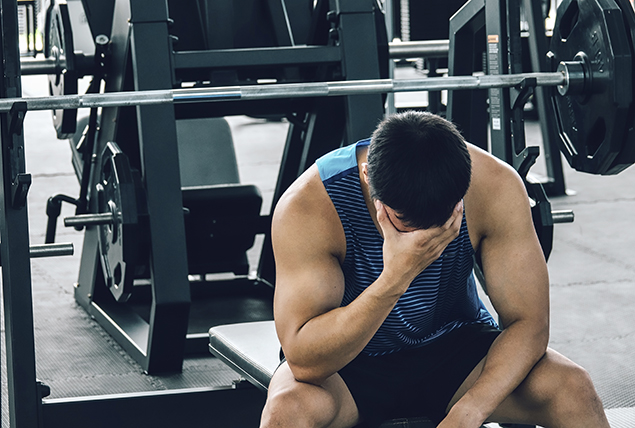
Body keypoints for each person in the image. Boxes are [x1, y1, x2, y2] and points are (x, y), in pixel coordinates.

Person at [260, 111, 609, 428]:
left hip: (453, 350)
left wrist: (469, 411)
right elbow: (306, 361)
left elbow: (529, 323)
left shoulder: (494, 184)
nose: (424, 240)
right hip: (350, 364)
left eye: (439, 224)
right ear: (367, 178)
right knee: (286, 411)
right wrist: (396, 277)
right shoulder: (308, 206)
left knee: (571, 388)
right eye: (404, 223)